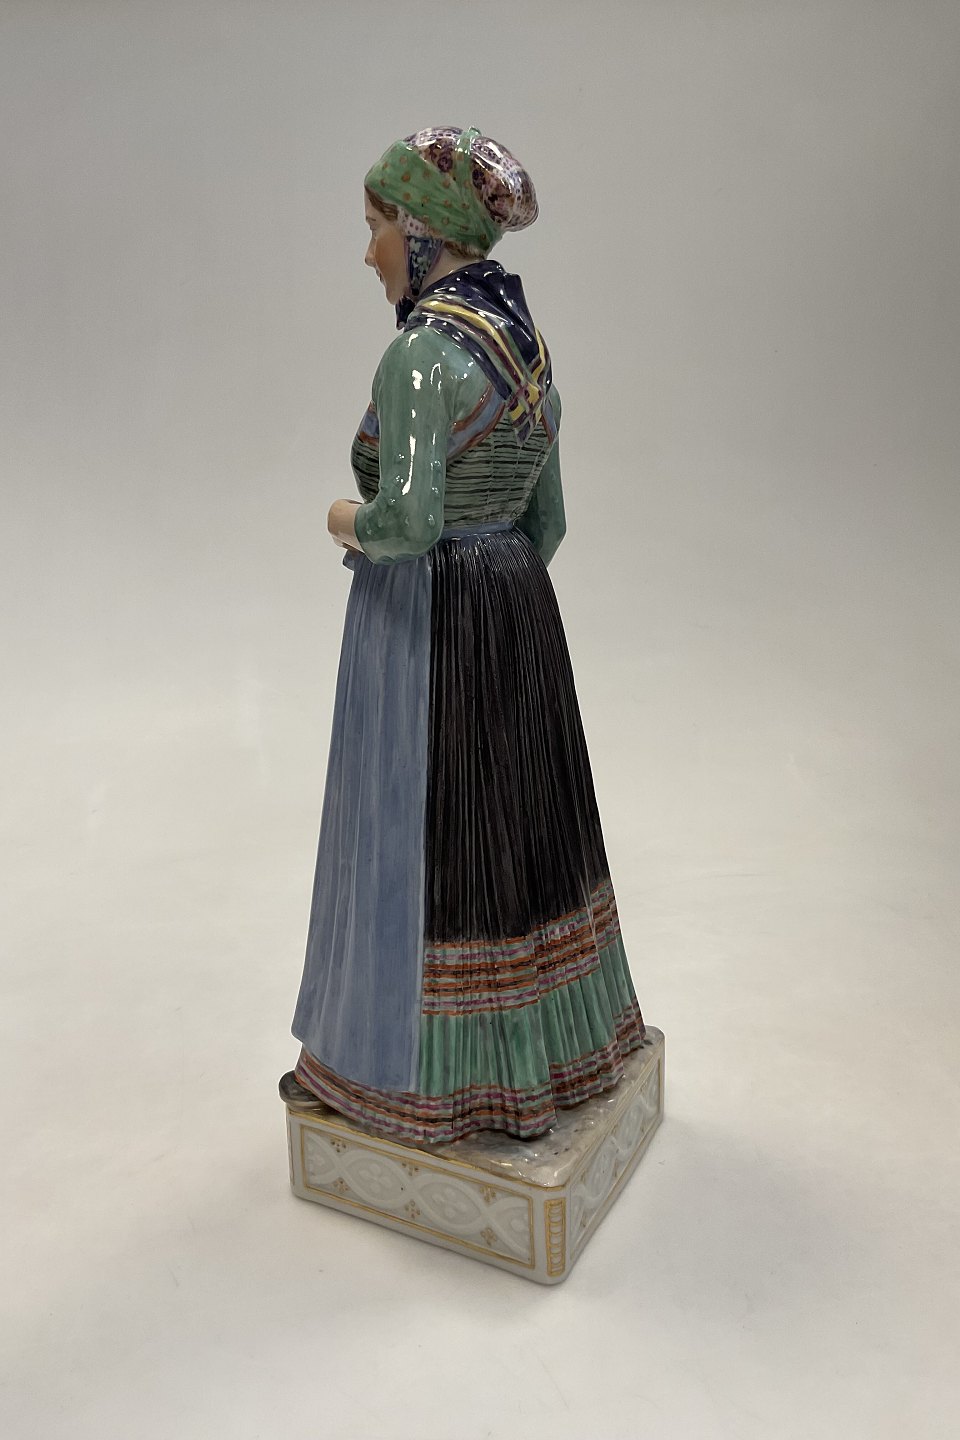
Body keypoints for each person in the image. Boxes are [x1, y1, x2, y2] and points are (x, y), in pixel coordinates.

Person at [287, 126, 645, 1144]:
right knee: (521, 835)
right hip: (516, 607)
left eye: (375, 228)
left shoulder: (418, 356)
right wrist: (505, 596)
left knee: (421, 838)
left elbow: (407, 523)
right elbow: (549, 524)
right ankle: (552, 1054)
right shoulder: (528, 352)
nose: (367, 253)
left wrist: (337, 518)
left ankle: (414, 1080)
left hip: (430, 619)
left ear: (422, 235)